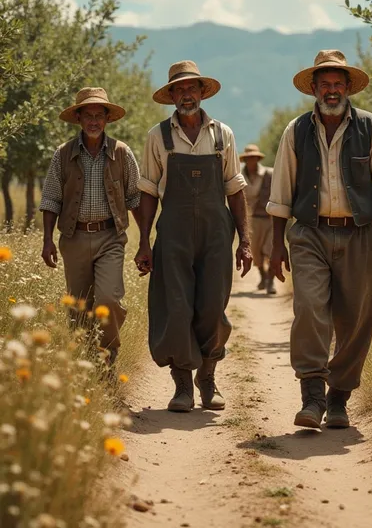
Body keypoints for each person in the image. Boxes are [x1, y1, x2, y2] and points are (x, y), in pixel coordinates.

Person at [268, 50, 372, 429]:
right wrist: (276, 246)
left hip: (359, 233)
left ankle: (339, 398)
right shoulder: (296, 131)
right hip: (309, 232)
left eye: (337, 84)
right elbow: (280, 193)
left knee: (357, 318)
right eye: (324, 84)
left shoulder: (370, 127)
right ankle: (311, 397)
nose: (331, 90)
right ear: (313, 88)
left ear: (347, 88)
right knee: (310, 307)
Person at [134, 61, 252, 413]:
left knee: (213, 306)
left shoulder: (222, 135)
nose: (186, 95)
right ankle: (183, 384)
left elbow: (235, 188)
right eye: (179, 89)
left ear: (202, 92)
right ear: (171, 96)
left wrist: (245, 240)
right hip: (173, 231)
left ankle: (208, 378)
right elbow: (148, 191)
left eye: (192, 88)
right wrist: (143, 241)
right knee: (176, 306)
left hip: (217, 232)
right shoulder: (159, 136)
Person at [40, 87, 141, 365]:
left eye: (99, 115)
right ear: (79, 119)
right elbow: (51, 199)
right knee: (79, 307)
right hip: (74, 238)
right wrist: (47, 240)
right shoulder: (63, 154)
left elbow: (136, 198)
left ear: (107, 119)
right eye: (88, 115)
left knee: (108, 299)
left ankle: (108, 356)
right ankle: (85, 364)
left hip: (111, 236)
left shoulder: (122, 152)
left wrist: (146, 243)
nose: (94, 121)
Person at [240, 144, 275, 294]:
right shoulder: (240, 177)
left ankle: (271, 282)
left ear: (258, 158)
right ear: (245, 160)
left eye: (254, 157)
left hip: (271, 219)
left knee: (271, 250)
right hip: (252, 219)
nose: (251, 160)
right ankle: (264, 276)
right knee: (255, 252)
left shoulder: (270, 174)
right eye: (248, 158)